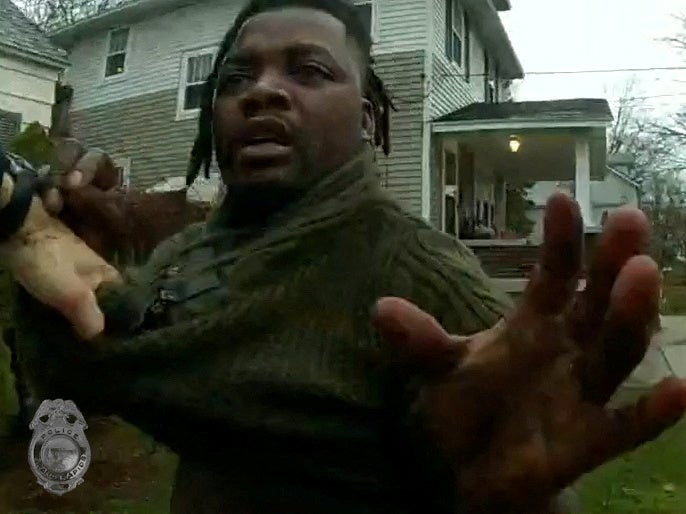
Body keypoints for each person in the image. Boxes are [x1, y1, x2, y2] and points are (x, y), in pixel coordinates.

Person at [0, 1, 684, 513]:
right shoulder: (189, 252)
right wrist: (59, 266)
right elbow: (103, 371)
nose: (262, 90)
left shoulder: (419, 275)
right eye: (236, 77)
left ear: (365, 118)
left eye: (309, 70)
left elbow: (516, 461)